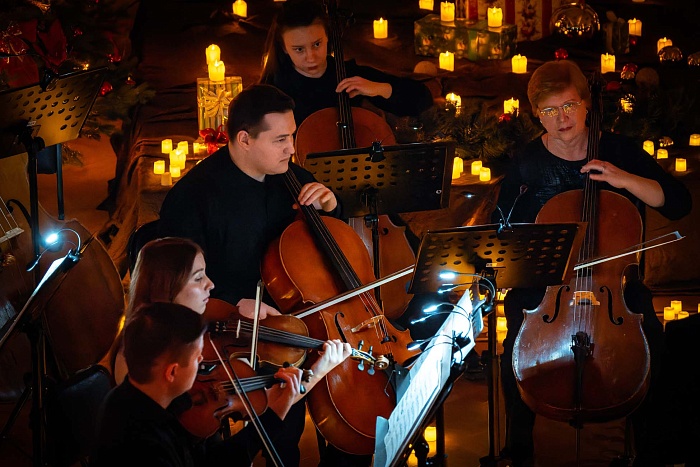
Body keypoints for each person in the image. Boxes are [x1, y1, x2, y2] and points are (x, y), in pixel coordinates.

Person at [492, 59, 692, 466]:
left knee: (653, 340)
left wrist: (623, 179)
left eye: (569, 106)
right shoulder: (527, 162)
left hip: (615, 284)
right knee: (515, 341)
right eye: (549, 111)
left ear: (585, 104)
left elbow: (678, 203)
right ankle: (518, 449)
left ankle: (651, 451)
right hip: (548, 287)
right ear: (537, 116)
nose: (562, 118)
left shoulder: (618, 150)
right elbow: (503, 229)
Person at [157, 84, 349, 466]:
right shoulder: (192, 197)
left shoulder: (290, 177)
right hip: (229, 334)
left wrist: (332, 206)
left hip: (291, 325)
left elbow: (328, 240)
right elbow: (174, 285)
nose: (291, 149)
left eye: (292, 136)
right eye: (280, 139)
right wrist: (233, 303)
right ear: (244, 139)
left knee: (321, 432)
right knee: (273, 437)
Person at [91, 301, 305, 467]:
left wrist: (274, 412)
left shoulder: (151, 397)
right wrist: (274, 415)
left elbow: (213, 460)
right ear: (172, 372)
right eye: (197, 358)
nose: (203, 361)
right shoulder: (144, 446)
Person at [259, 0, 434, 129]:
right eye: (299, 49)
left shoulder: (348, 75)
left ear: (328, 37)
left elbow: (422, 98)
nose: (311, 57)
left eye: (317, 44)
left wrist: (379, 88)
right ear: (284, 48)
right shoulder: (274, 89)